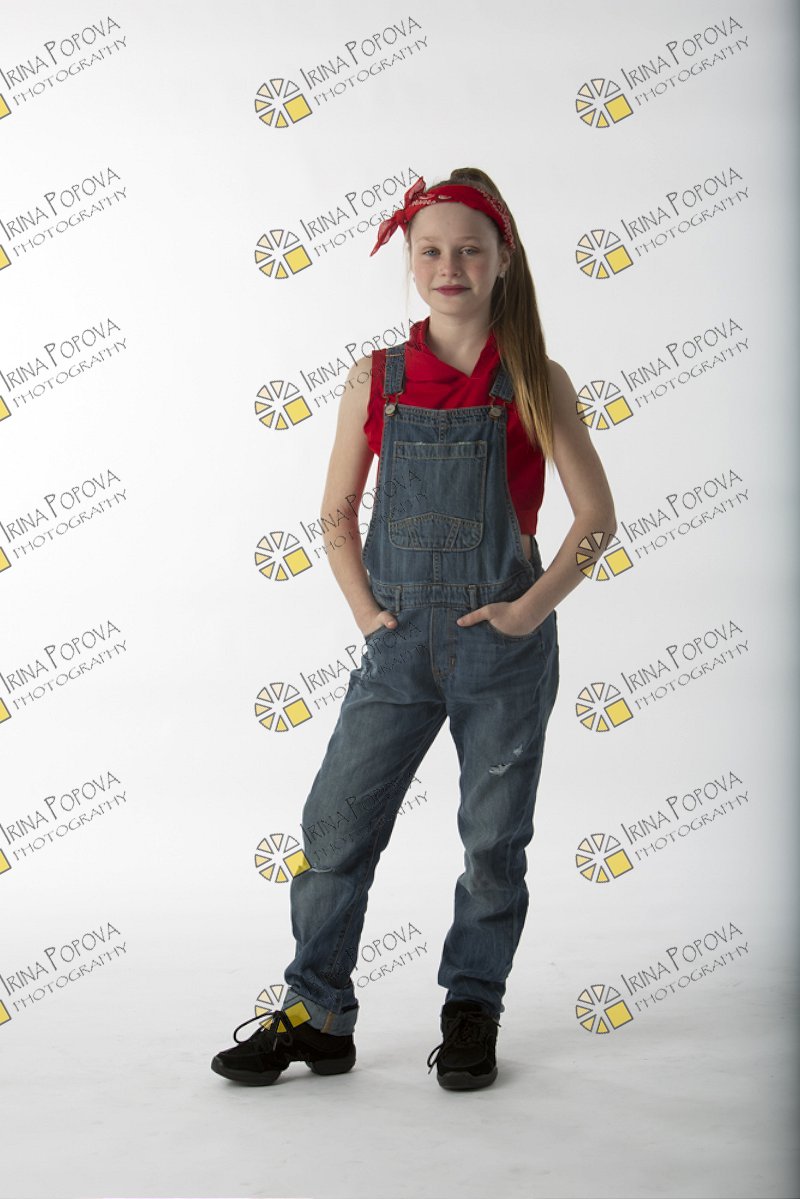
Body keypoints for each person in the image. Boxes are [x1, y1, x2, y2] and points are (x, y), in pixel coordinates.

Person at [211, 167, 617, 1091]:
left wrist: (527, 610)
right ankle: (317, 1015)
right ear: (410, 258)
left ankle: (472, 1005)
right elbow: (335, 514)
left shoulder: (534, 379)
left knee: (492, 842)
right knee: (335, 826)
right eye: (430, 250)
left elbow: (596, 518)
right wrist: (367, 615)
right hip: (396, 649)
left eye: (470, 249)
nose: (449, 266)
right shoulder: (377, 376)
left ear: (504, 259)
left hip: (502, 650)